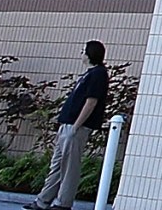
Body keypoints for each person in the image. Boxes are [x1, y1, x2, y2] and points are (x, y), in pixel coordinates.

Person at [26, 41, 110, 210]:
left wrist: (76, 126)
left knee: (70, 166)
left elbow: (91, 101)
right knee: (57, 164)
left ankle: (63, 203)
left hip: (76, 127)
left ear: (89, 54)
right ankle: (43, 200)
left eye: (83, 51)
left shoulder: (98, 74)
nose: (81, 54)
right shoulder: (89, 74)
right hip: (67, 125)